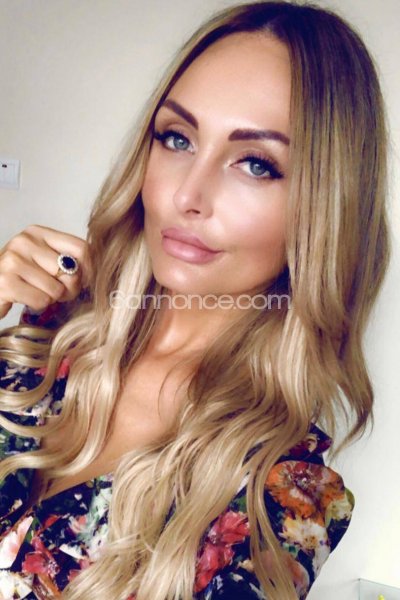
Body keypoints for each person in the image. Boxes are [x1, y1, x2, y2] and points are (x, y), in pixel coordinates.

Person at [0, 1, 390, 599]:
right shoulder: (42, 337)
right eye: (177, 138)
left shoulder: (282, 499)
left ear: (323, 211)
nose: (188, 194)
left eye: (256, 164)